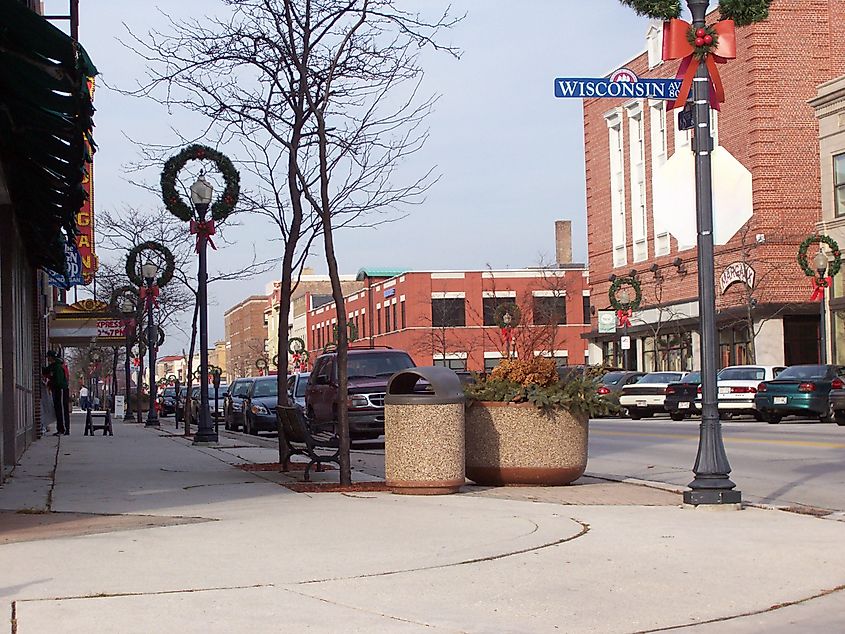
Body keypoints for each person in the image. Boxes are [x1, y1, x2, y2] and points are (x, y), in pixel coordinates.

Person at [43, 350, 70, 435]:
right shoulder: (53, 366)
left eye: (48, 357)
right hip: (57, 390)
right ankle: (60, 429)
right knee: (58, 409)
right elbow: (46, 371)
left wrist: (50, 382)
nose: (48, 359)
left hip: (61, 390)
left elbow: (58, 381)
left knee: (61, 409)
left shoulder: (58, 367)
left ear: (51, 357)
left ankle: (64, 429)